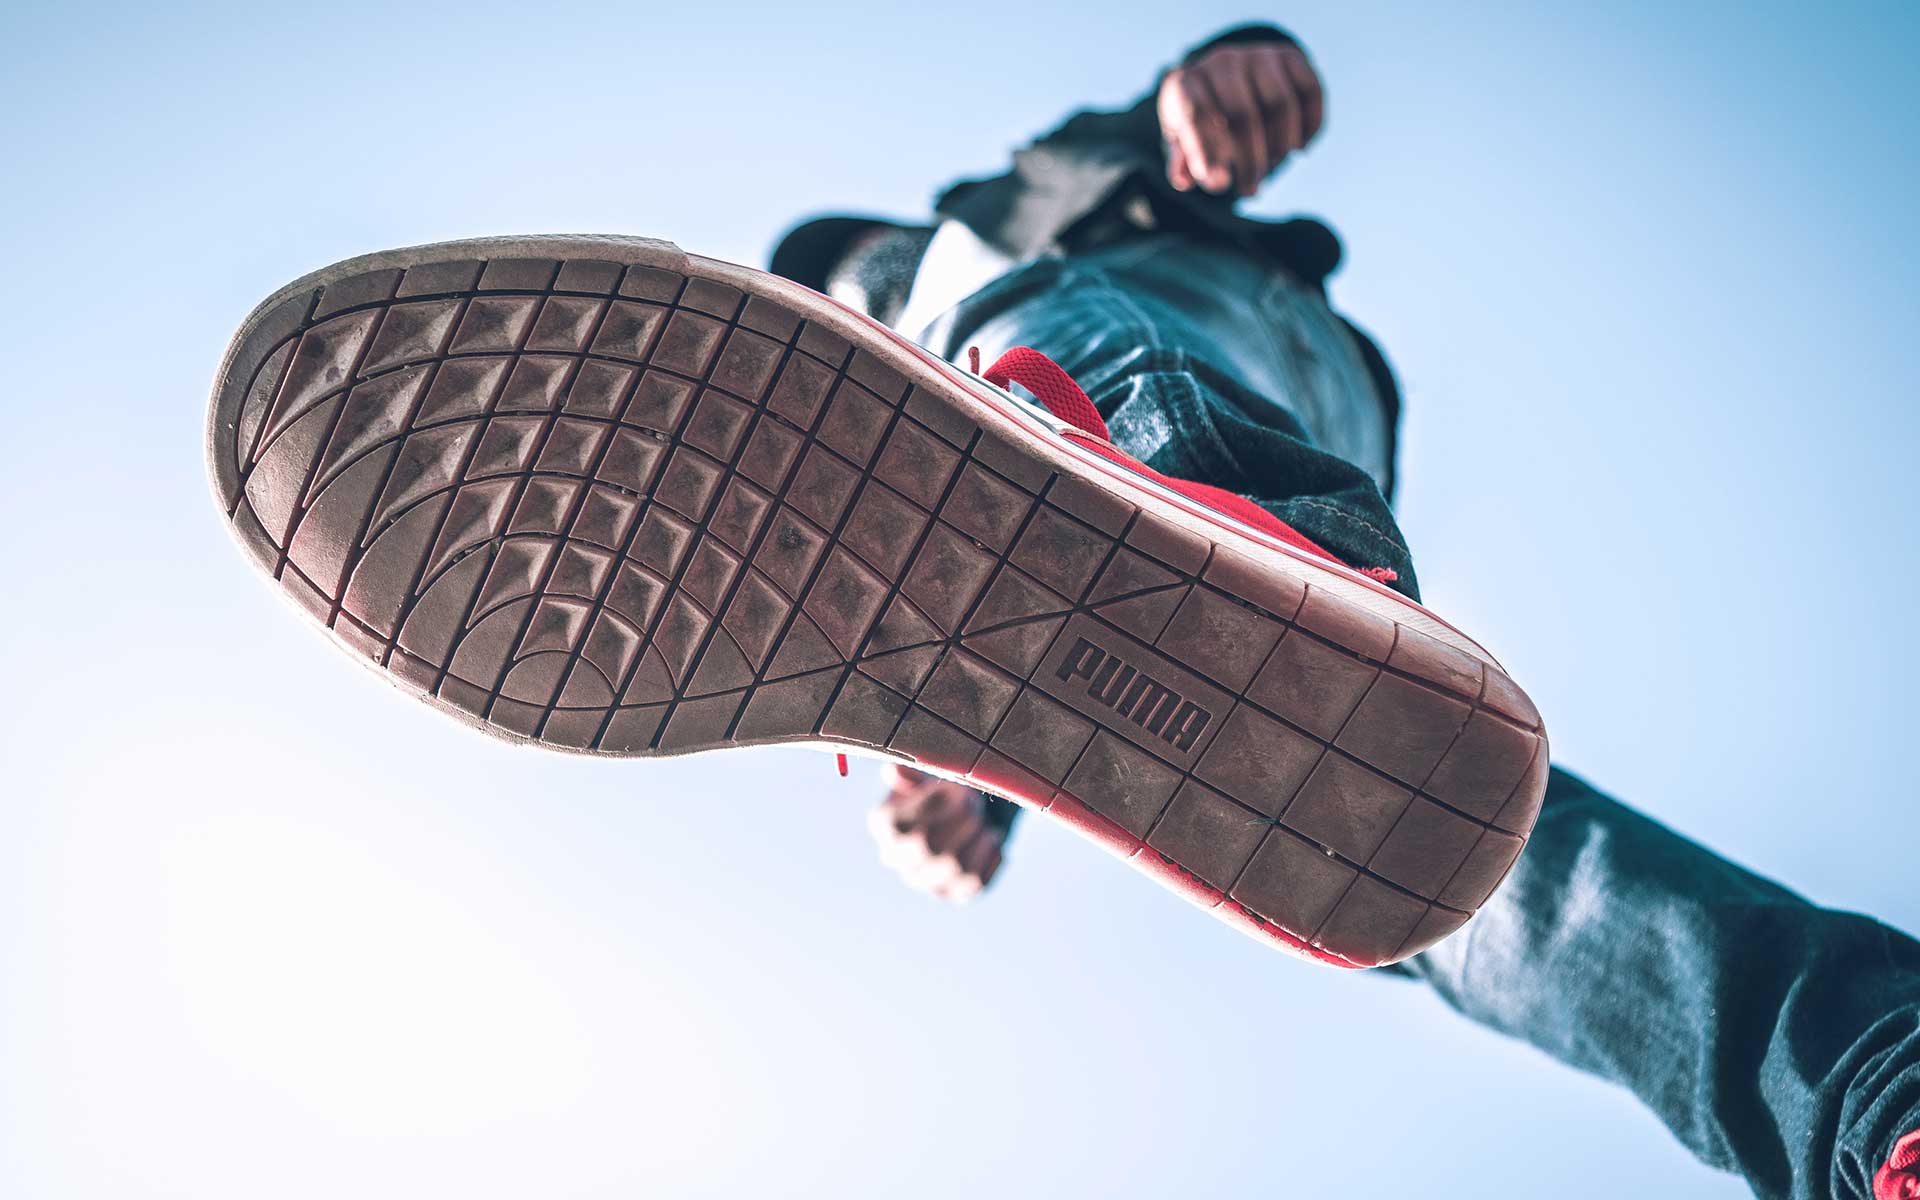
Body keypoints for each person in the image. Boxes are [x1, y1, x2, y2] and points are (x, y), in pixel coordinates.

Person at [773, 24, 1920, 1200]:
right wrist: (961, 803)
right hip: (1303, 427)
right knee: (1426, 849)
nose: (859, 305)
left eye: (856, 283)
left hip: (1160, 323)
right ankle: (1879, 1095)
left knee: (995, 338)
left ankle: (1257, 562)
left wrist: (1224, 70)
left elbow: (1146, 126)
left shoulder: (981, 231)